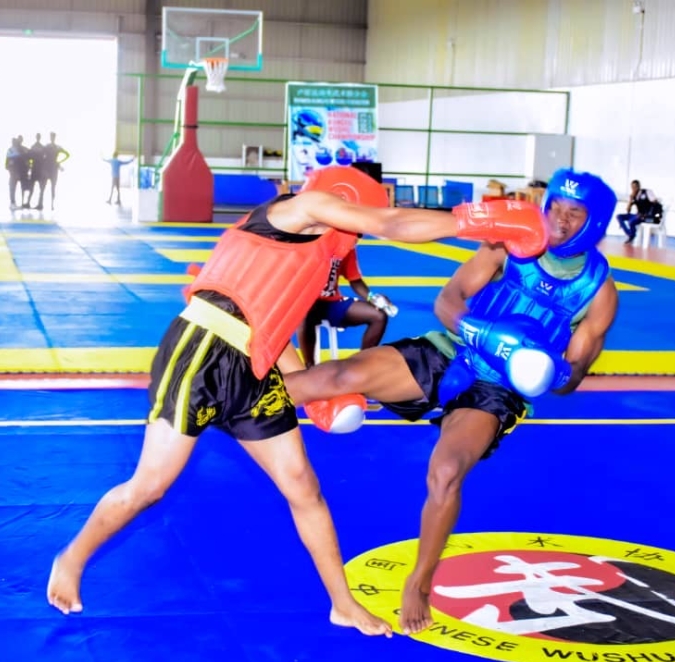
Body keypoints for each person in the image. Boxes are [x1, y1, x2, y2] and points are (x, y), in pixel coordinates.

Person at [46, 165, 551, 637]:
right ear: (343, 199)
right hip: (203, 351)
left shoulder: (312, 257)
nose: (355, 234)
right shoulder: (300, 208)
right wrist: (482, 219)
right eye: (355, 217)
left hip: (253, 369)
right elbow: (392, 223)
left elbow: (273, 331)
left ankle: (342, 603)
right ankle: (71, 558)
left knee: (304, 488)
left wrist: (309, 390)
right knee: (149, 487)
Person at [282, 168, 620, 635]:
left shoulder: (598, 292)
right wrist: (485, 334)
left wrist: (552, 371)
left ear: (594, 221)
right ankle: (233, 395)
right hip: (452, 349)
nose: (559, 220)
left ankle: (420, 582)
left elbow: (573, 377)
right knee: (339, 374)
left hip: (498, 389)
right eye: (555, 207)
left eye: (574, 213)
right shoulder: (513, 241)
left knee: (445, 473)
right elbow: (448, 300)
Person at [297, 244, 393, 368]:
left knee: (378, 316)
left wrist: (372, 298)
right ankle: (309, 367)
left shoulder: (346, 245)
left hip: (331, 303)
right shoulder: (309, 242)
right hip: (304, 303)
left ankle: (362, 365)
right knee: (304, 314)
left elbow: (355, 280)